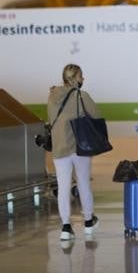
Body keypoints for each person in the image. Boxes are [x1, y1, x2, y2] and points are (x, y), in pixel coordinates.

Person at [46, 63, 101, 240]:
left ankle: (66, 227)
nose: (83, 78)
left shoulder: (52, 95)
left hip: (59, 147)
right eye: (81, 76)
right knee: (83, 183)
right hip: (80, 147)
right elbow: (96, 116)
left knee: (63, 187)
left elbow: (51, 118)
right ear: (74, 78)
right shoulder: (81, 96)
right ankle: (88, 221)